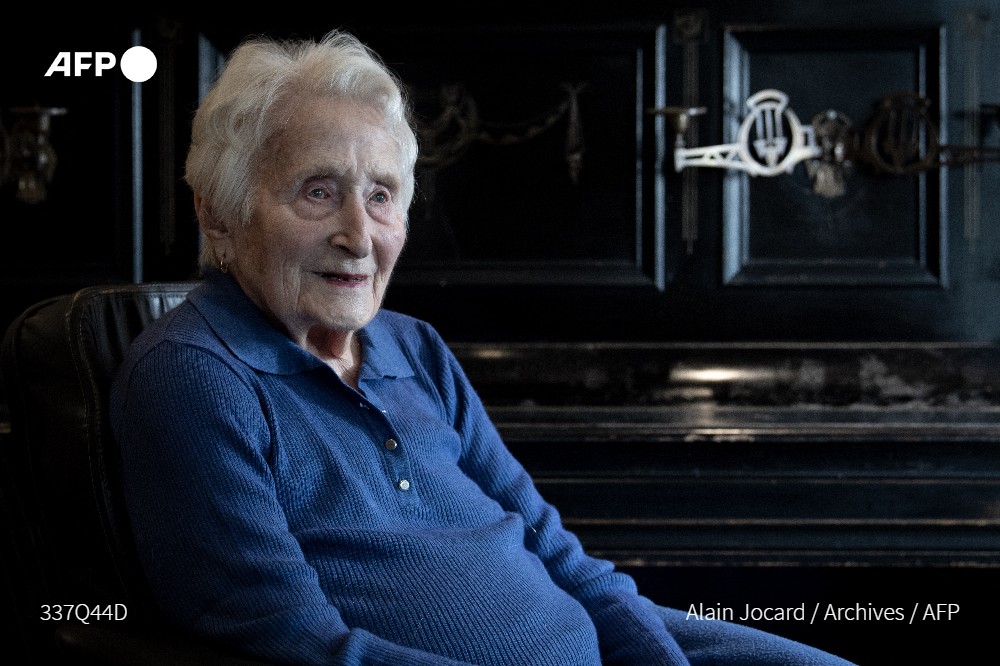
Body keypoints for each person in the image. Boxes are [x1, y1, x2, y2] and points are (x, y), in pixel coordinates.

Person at [110, 29, 858, 666]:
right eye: (316, 191)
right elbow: (300, 646)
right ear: (219, 216)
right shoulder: (192, 379)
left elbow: (557, 554)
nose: (359, 236)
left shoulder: (414, 347)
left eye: (380, 195)